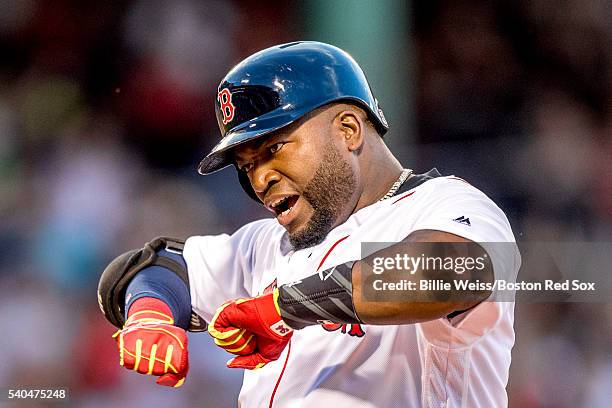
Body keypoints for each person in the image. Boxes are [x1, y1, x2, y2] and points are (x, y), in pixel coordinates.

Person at [98, 41, 521, 407]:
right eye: (246, 165)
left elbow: (452, 271)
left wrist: (285, 307)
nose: (259, 179)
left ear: (349, 129)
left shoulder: (443, 204)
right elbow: (147, 269)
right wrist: (150, 314)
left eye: (273, 148)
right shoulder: (268, 244)